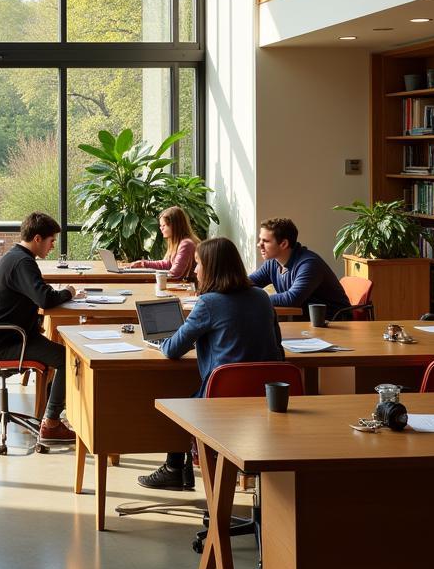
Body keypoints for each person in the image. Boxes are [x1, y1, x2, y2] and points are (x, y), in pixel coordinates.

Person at [137, 237, 282, 491]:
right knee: (191, 395)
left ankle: (174, 470)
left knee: (178, 402)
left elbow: (171, 349)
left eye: (198, 264)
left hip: (223, 400)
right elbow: (277, 349)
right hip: (266, 397)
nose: (195, 270)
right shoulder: (262, 297)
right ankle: (177, 471)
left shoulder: (209, 303)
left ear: (212, 267)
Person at [0, 212, 85, 444]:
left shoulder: (16, 257)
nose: (52, 246)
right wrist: (71, 292)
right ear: (37, 238)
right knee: (68, 359)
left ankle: (52, 411)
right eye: (51, 240)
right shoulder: (23, 263)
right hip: (4, 342)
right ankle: (52, 424)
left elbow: (36, 296)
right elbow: (44, 299)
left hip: (5, 336)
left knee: (63, 354)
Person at [249, 217, 349, 318]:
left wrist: (256, 299)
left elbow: (292, 299)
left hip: (335, 322)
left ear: (284, 244)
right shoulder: (273, 263)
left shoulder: (309, 264)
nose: (259, 245)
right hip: (308, 323)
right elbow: (248, 282)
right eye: (260, 240)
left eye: (265, 241)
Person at [126, 206, 199, 280]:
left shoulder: (186, 244)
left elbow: (174, 275)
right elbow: (168, 264)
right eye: (160, 226)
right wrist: (143, 264)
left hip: (191, 289)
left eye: (164, 225)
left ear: (174, 226)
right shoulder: (179, 242)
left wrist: (144, 276)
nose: (161, 228)